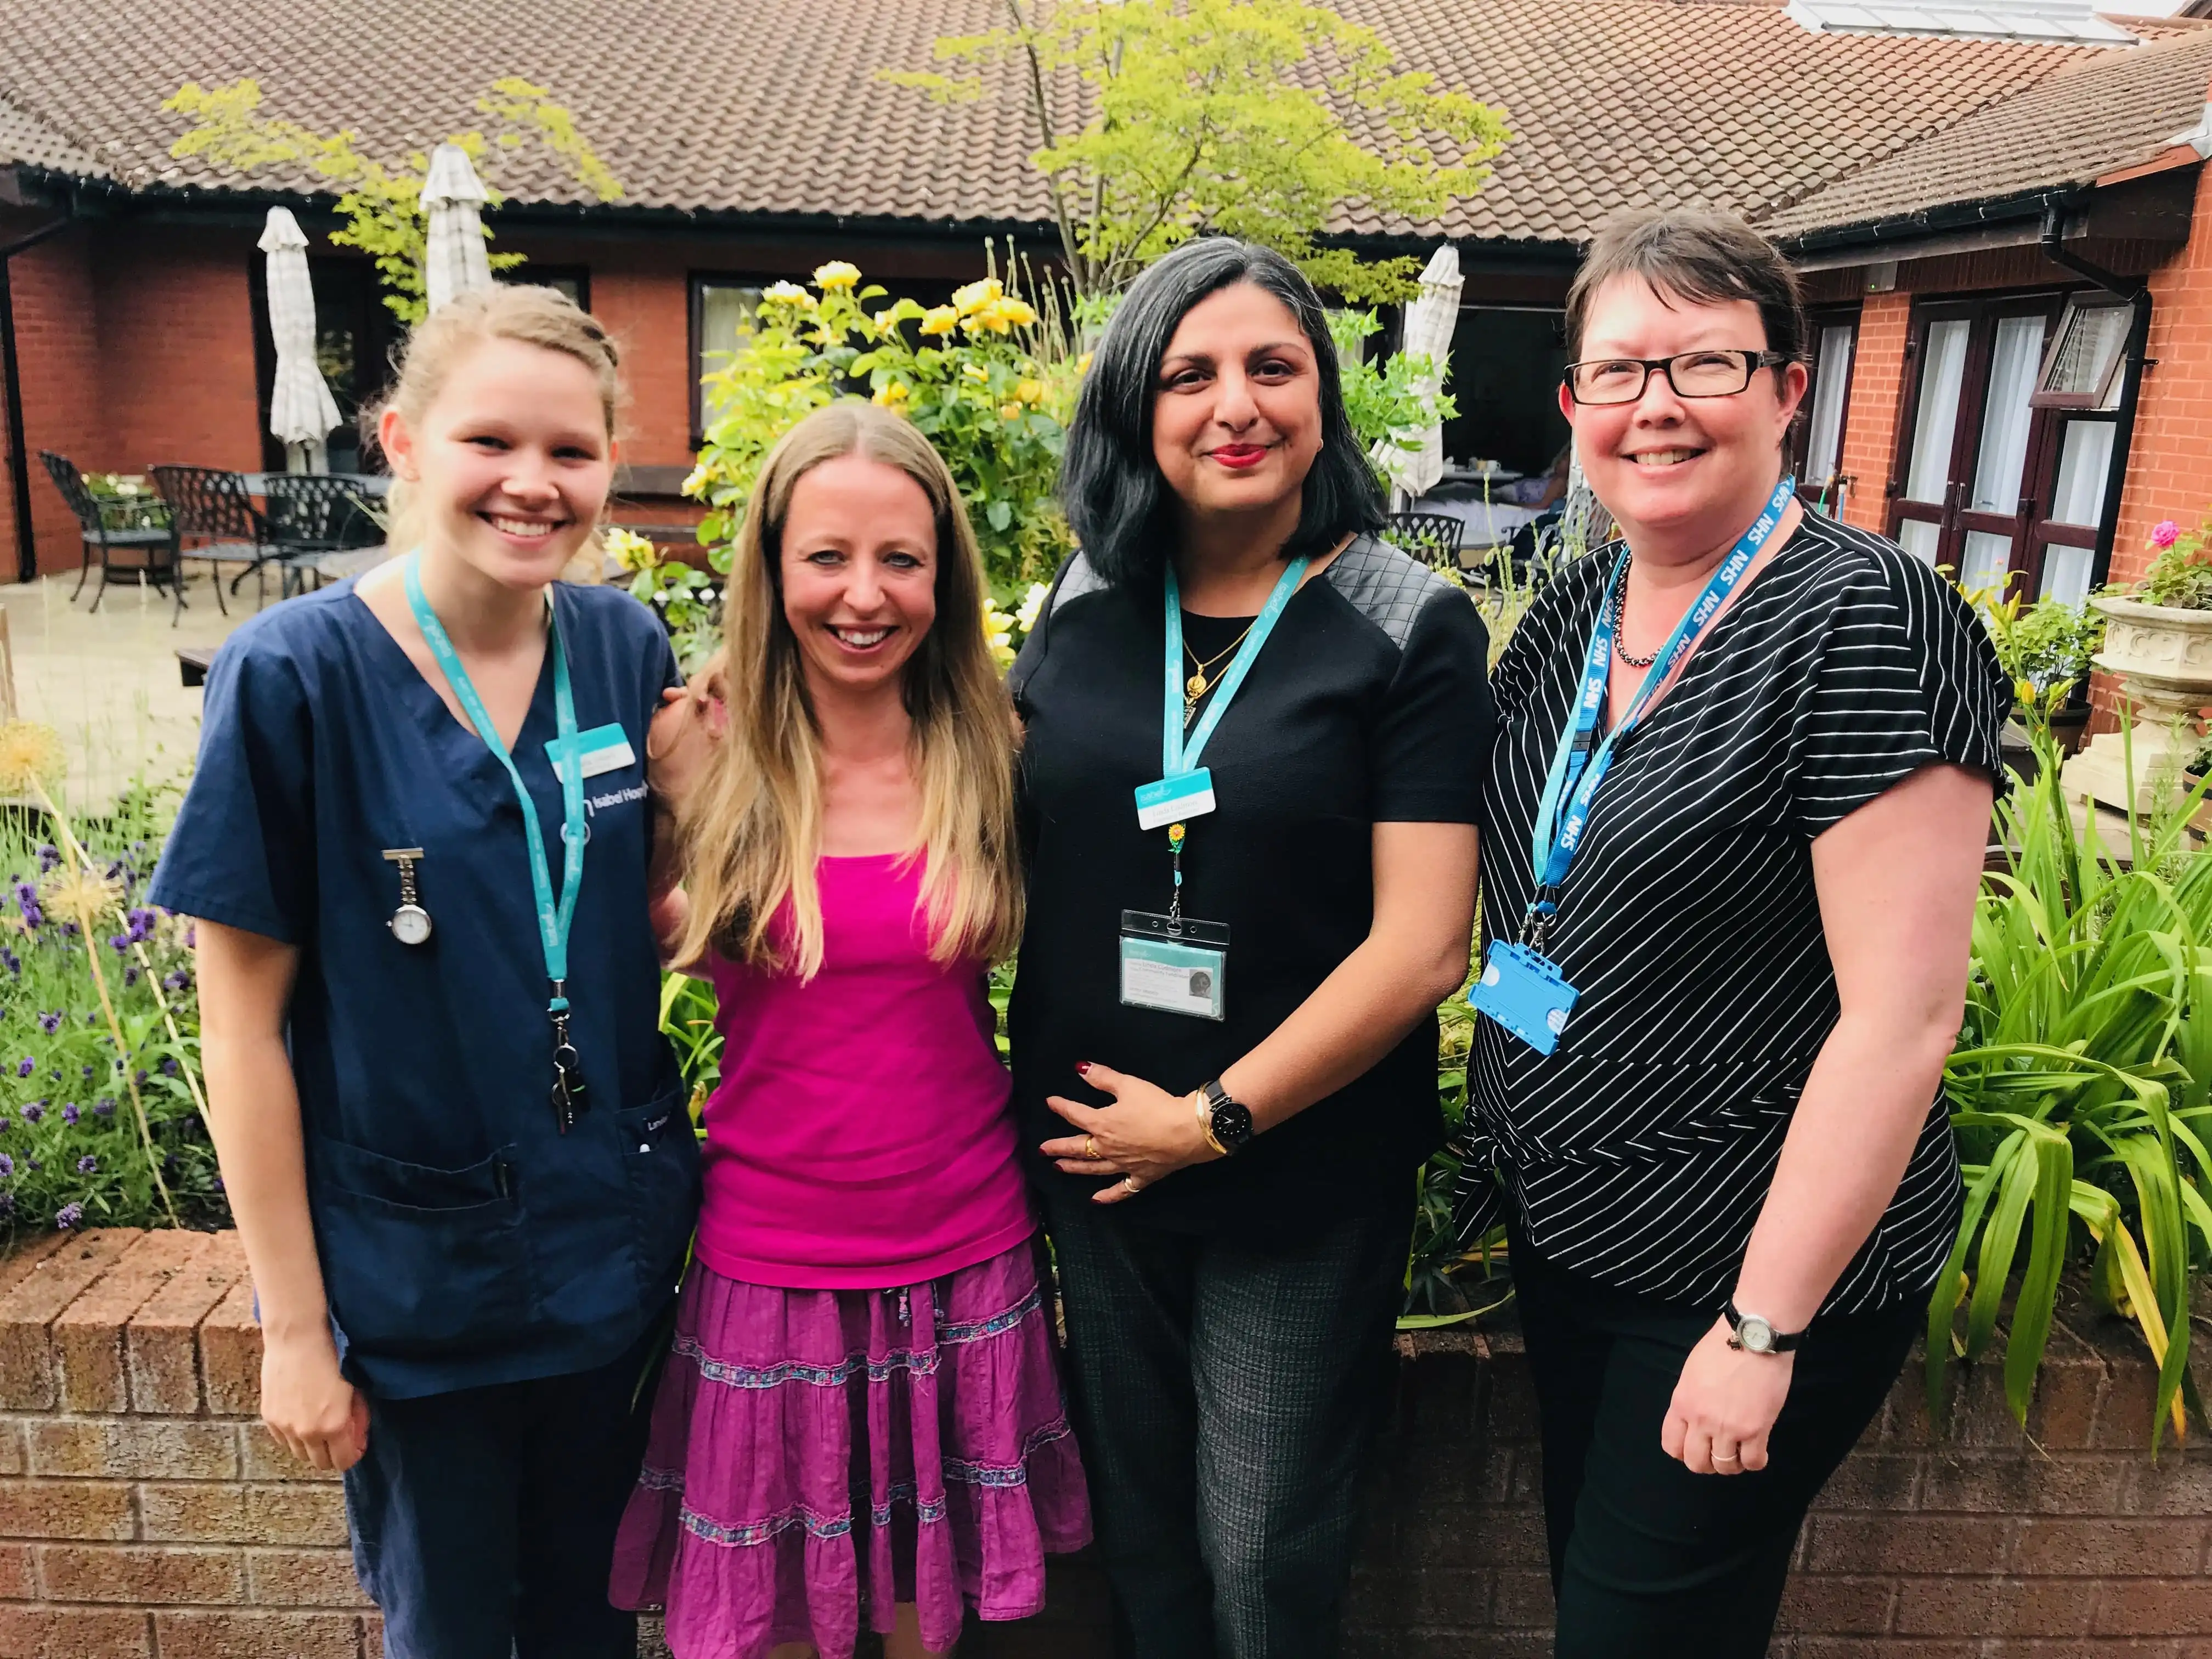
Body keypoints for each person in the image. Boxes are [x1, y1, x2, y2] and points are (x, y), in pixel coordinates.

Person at [1453, 205, 2007, 1657]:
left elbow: (1903, 1020)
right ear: (1573, 402)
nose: (1657, 409)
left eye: (1703, 364)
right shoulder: (1574, 609)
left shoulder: (1866, 623)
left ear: (1789, 388)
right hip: (1576, 1234)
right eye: (1620, 372)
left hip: (1739, 1265)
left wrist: (1762, 1334)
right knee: (1625, 1606)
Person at [150, 285, 701, 1659]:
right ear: (400, 440)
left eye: (573, 454)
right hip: (422, 1280)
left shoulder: (623, 647)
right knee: (450, 1631)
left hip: (613, 1253)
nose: (535, 484)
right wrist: (293, 1330)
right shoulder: (295, 677)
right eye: (490, 443)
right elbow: (243, 1033)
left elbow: (629, 915)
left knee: (596, 1620)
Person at [1008, 236, 1493, 1658]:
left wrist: (1211, 1121)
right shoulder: (1082, 603)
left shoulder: (1409, 626)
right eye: (1191, 374)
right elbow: (998, 837)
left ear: (1323, 400)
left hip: (1295, 1165)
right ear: (1135, 412)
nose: (1237, 405)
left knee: (1265, 1547)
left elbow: (1422, 949)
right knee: (1145, 1530)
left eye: (1273, 368)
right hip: (1096, 1145)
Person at [611, 403, 1091, 1659]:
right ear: (771, 566)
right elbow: (617, 950)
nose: (864, 596)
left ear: (947, 572)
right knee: (767, 1613)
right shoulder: (693, 746)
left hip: (964, 1240)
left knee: (925, 1609)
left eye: (902, 560)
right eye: (827, 557)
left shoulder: (995, 741)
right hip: (771, 1253)